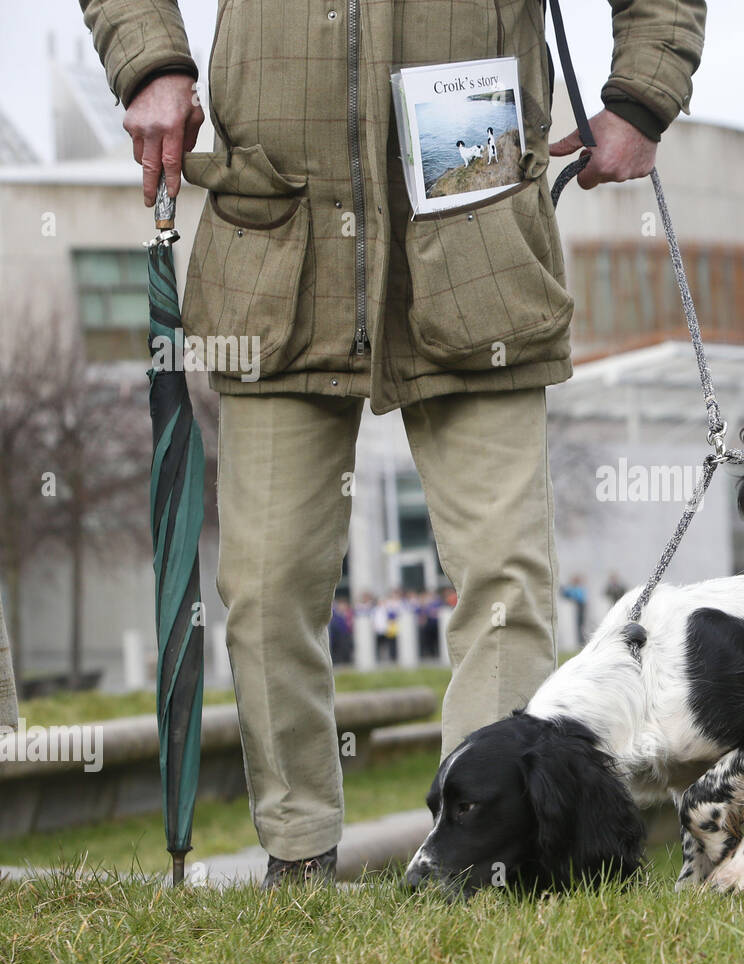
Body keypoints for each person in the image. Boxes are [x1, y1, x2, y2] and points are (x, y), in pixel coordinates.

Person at [81, 0, 707, 887]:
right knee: (264, 588)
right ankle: (297, 859)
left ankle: (487, 871)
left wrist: (642, 97)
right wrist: (148, 61)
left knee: (505, 580)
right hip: (275, 243)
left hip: (476, 233)